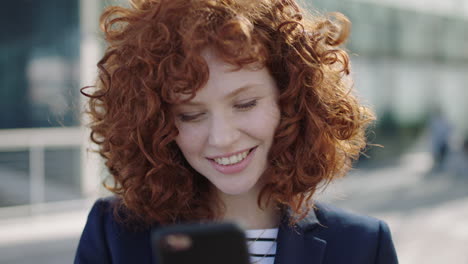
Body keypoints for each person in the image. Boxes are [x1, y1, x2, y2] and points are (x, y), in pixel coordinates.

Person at [75, 0, 398, 263]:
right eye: (190, 115)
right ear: (155, 122)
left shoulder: (363, 246)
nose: (222, 138)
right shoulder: (114, 233)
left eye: (244, 104)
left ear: (291, 101)